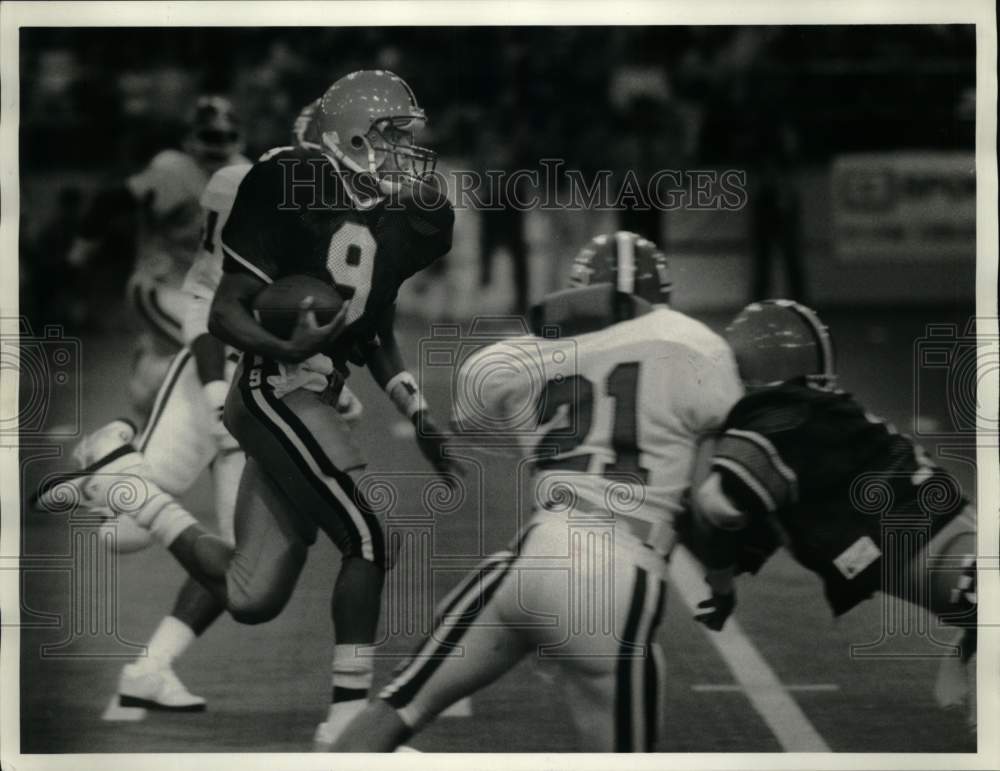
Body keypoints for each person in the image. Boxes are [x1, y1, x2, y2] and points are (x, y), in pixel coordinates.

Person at [43, 71, 459, 748]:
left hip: (303, 388)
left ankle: (126, 488)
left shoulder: (385, 215)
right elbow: (219, 303)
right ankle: (348, 720)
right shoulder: (272, 186)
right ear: (347, 138)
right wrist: (261, 359)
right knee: (369, 538)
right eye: (390, 135)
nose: (403, 150)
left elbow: (374, 321)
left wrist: (412, 408)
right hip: (259, 381)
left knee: (251, 593)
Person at [331, 231, 744, 752]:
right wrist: (721, 579)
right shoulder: (695, 345)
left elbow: (475, 422)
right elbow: (717, 504)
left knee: (395, 707)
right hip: (620, 569)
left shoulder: (514, 357)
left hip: (533, 556)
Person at [33, 103, 364, 713]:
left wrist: (328, 378)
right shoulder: (244, 191)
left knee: (202, 556)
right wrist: (215, 386)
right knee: (143, 539)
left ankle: (148, 667)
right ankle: (116, 462)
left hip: (264, 397)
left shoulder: (342, 223)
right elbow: (205, 300)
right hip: (223, 378)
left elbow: (327, 320)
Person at [686, 299, 977, 728]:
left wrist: (720, 581)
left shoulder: (775, 421)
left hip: (924, 541)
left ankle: (973, 638)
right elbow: (744, 516)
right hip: (937, 531)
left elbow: (723, 512)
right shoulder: (809, 412)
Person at [68, 96, 248, 417]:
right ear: (189, 139)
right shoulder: (174, 170)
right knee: (212, 355)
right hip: (163, 286)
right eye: (209, 136)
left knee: (194, 363)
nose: (218, 146)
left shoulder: (245, 172)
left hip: (209, 294)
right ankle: (213, 427)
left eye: (227, 137)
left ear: (240, 139)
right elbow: (108, 201)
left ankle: (150, 378)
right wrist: (79, 256)